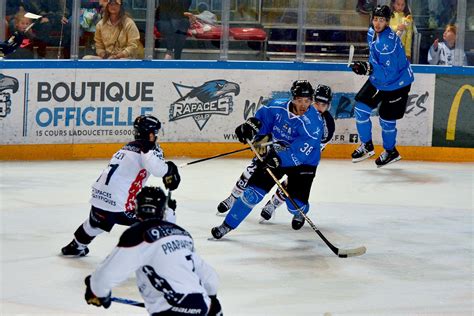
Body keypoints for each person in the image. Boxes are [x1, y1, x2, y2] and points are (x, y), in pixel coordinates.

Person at [211, 80, 324, 239]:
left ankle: (300, 211)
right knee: (251, 193)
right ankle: (226, 225)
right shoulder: (275, 107)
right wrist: (251, 128)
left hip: (304, 163)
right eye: (299, 100)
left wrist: (278, 159)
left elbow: (299, 154)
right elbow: (261, 123)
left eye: (307, 101)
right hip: (275, 155)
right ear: (292, 99)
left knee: (294, 206)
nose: (303, 105)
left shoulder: (314, 123)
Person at [84, 186, 223, 316]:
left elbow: (107, 275)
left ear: (136, 209)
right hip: (202, 305)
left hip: (171, 307)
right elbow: (209, 278)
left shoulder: (138, 234)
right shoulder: (182, 234)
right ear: (163, 210)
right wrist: (212, 303)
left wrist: (98, 291)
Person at [61, 114, 181, 257]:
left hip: (99, 196)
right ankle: (162, 256)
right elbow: (157, 169)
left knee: (96, 224)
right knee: (164, 214)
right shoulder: (148, 148)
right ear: (151, 134)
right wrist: (170, 169)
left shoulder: (127, 147)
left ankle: (76, 245)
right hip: (120, 204)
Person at [349, 5, 414, 167]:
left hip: (397, 83)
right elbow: (374, 55)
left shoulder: (387, 44)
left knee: (386, 118)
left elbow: (389, 74)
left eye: (382, 20)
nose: (378, 23)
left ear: (387, 22)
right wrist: (365, 66)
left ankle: (391, 151)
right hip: (378, 79)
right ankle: (367, 145)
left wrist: (369, 69)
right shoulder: (372, 32)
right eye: (376, 19)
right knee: (361, 108)